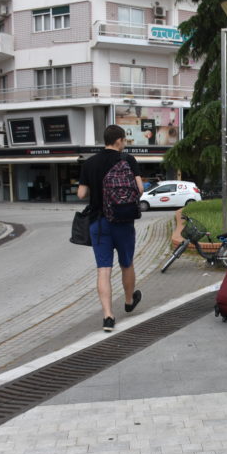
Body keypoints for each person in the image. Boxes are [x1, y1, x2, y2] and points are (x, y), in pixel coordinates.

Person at [78, 125, 144, 332]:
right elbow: (140, 189)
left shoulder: (89, 163)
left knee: (103, 270)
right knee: (127, 264)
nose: (124, 144)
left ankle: (108, 316)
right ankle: (128, 301)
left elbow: (81, 194)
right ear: (119, 141)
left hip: (99, 223)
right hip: (123, 222)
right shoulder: (128, 160)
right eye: (124, 140)